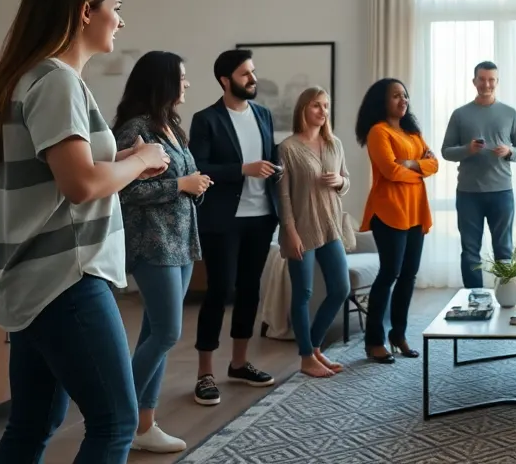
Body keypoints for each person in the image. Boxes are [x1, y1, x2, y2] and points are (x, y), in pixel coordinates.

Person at [0, 0, 170, 464]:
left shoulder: (29, 78)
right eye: (115, 9)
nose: (121, 22)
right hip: (67, 278)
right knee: (116, 423)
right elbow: (80, 185)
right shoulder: (57, 82)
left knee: (33, 425)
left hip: (33, 281)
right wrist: (144, 158)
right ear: (86, 13)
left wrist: (118, 163)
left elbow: (64, 173)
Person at [113, 51, 211, 453]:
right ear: (162, 82)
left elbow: (181, 179)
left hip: (181, 240)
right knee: (169, 331)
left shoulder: (171, 125)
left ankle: (143, 426)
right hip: (151, 243)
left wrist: (195, 186)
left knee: (156, 330)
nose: (187, 84)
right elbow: (122, 188)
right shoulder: (135, 129)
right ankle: (117, 415)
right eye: (182, 78)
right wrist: (180, 186)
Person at [188, 49, 280, 405]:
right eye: (245, 74)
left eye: (253, 72)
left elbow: (267, 162)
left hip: (261, 217)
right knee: (219, 290)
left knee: (249, 290)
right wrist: (243, 169)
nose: (253, 79)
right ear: (226, 81)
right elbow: (200, 167)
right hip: (222, 220)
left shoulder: (264, 114)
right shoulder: (206, 119)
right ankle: (204, 373)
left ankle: (239, 363)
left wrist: (274, 170)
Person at [355, 78, 438, 363]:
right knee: (389, 274)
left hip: (415, 211)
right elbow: (390, 172)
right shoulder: (378, 132)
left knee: (408, 276)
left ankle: (398, 334)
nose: (402, 100)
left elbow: (434, 164)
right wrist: (419, 167)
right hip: (389, 212)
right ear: (382, 101)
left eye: (405, 95)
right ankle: (374, 340)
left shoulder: (412, 133)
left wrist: (412, 164)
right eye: (395, 96)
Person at [278, 87, 352, 378]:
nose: (323, 112)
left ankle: (315, 345)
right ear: (303, 109)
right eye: (316, 106)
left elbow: (346, 182)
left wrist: (339, 182)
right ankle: (306, 356)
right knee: (303, 293)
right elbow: (283, 197)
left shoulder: (335, 144)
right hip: (302, 229)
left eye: (326, 106)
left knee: (341, 288)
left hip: (330, 226)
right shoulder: (287, 148)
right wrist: (290, 233)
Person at [440, 61, 516, 289]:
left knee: (504, 250)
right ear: (474, 82)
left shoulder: (510, 113)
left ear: (497, 82)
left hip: (502, 193)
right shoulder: (460, 114)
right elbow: (446, 151)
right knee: (470, 251)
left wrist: (509, 151)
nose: (486, 84)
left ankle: (506, 297)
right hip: (468, 194)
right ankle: (474, 299)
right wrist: (467, 150)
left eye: (491, 80)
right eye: (482, 79)